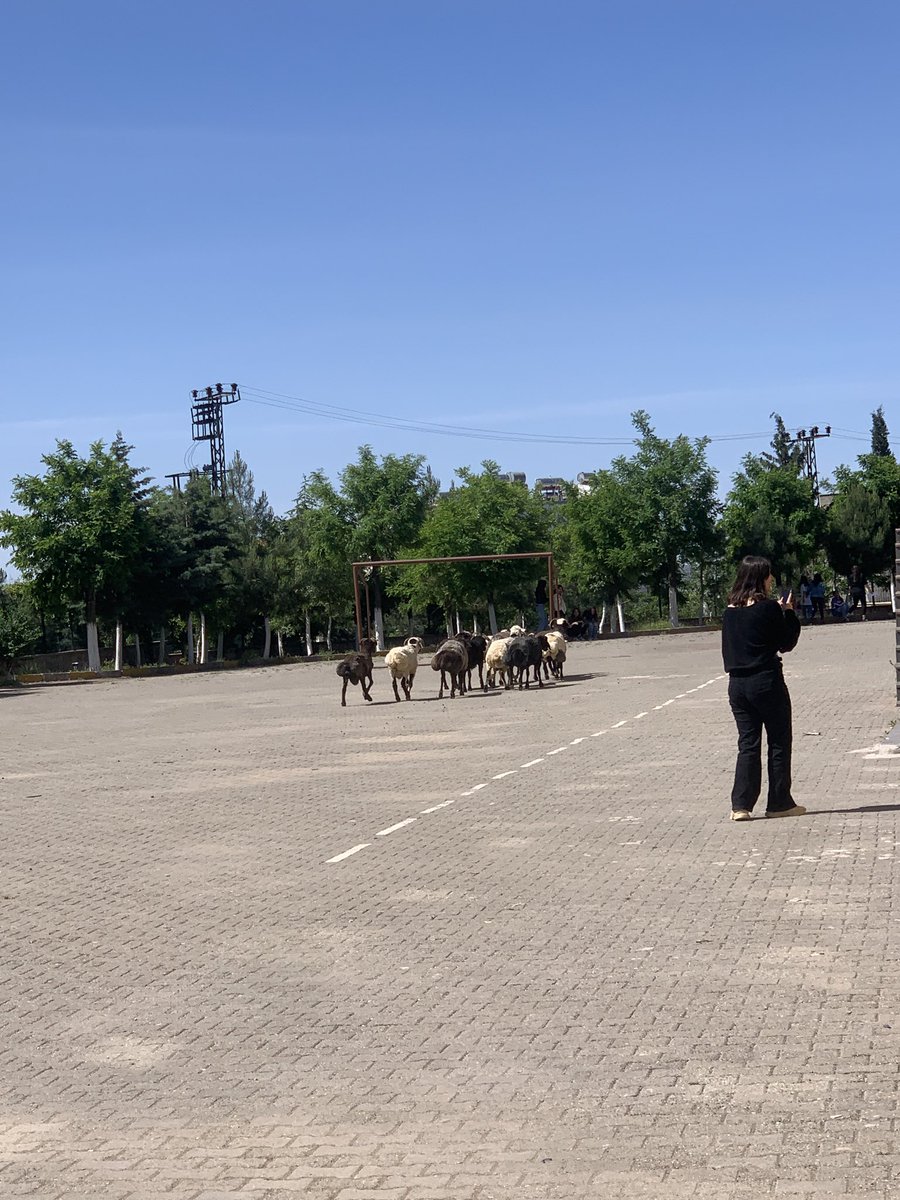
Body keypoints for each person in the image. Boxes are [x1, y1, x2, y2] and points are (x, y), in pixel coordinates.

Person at [721, 555, 805, 822]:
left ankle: (741, 805)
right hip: (766, 681)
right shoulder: (768, 608)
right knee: (778, 740)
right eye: (769, 575)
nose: (771, 580)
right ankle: (779, 802)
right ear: (761, 578)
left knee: (748, 743)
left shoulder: (730, 611)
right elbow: (786, 643)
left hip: (737, 685)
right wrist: (788, 612)